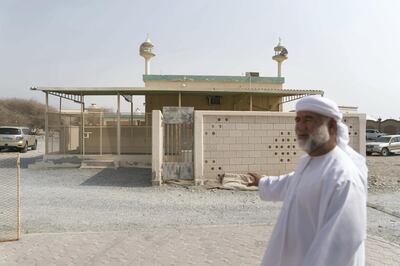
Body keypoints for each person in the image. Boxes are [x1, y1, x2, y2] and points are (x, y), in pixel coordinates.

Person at [248, 95, 368, 266]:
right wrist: (263, 182)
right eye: (298, 119)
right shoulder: (309, 162)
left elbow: (339, 246)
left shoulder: (342, 176)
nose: (300, 127)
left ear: (332, 126)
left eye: (308, 119)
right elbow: (293, 183)